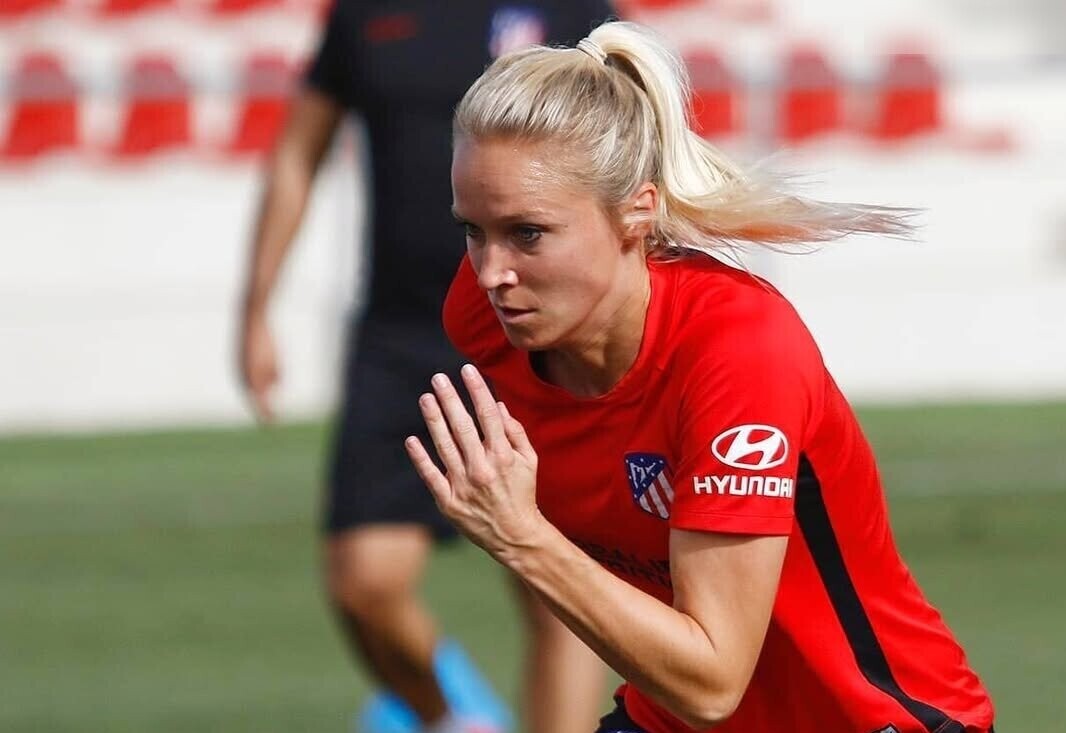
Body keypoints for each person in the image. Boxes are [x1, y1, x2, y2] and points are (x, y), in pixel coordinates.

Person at [403, 20, 997, 733]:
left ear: (637, 211)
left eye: (527, 233)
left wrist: (523, 537)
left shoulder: (737, 351)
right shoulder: (487, 318)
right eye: (473, 230)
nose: (492, 272)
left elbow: (713, 680)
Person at [236, 2, 615, 732]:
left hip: (541, 338)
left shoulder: (574, 7)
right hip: (401, 336)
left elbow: (630, 148)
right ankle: (454, 722)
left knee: (560, 596)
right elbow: (298, 152)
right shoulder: (364, 12)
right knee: (364, 582)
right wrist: (257, 308)